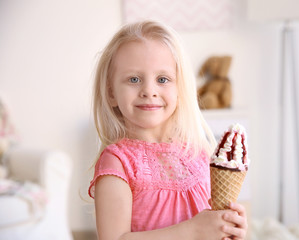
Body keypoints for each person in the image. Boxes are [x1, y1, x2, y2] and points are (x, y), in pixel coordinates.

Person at [88, 20, 248, 240]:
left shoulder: (198, 152)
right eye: (134, 79)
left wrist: (228, 228)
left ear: (180, 88)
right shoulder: (117, 162)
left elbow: (209, 224)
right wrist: (193, 231)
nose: (149, 90)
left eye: (162, 79)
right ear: (111, 93)